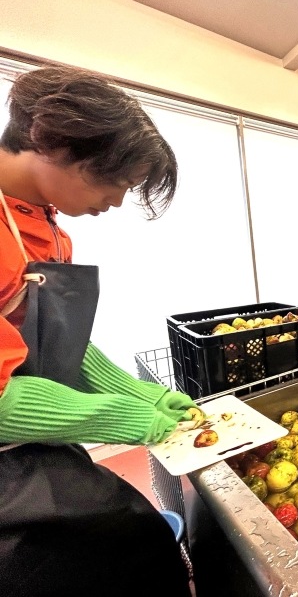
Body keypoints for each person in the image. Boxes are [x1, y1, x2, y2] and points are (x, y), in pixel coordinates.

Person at [0, 66, 196, 596]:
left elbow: (59, 344)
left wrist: (141, 392)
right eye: (115, 182)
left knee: (139, 537)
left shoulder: (47, 229)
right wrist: (120, 416)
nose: (115, 201)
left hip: (26, 442)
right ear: (53, 143)